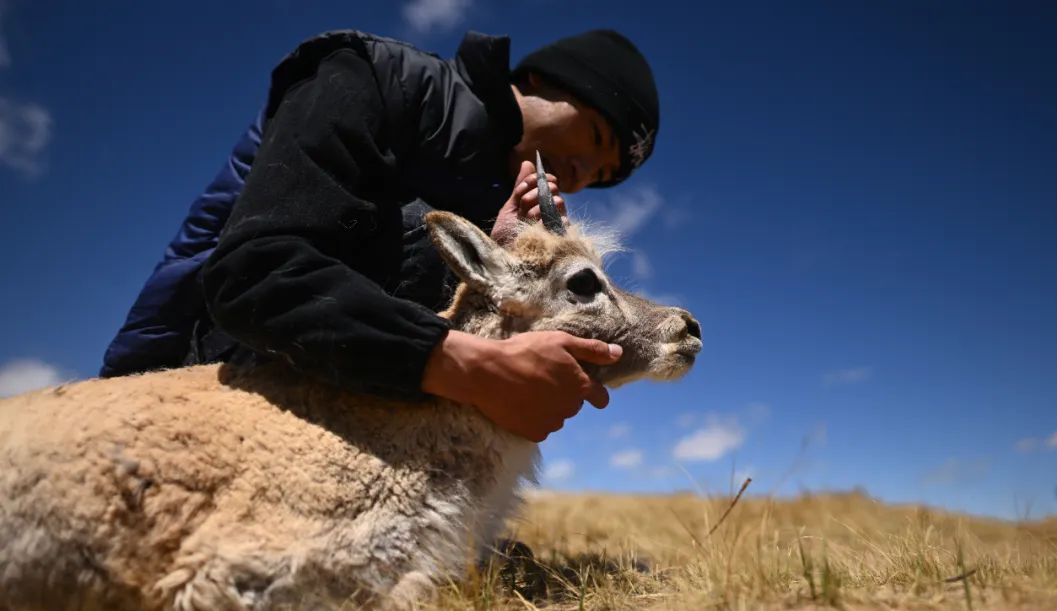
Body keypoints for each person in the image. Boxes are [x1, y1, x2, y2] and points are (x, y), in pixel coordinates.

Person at [101, 28, 659, 442]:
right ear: (538, 79)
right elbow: (256, 271)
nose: (582, 173)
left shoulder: (497, 199)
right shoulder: (372, 76)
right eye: (594, 137)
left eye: (601, 176)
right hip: (203, 370)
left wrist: (494, 253)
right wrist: (469, 364)